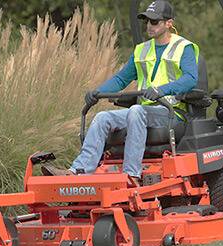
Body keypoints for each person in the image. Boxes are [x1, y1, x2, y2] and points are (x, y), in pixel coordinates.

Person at [42, 0, 199, 186]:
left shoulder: (184, 47)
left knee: (135, 111)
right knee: (102, 117)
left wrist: (161, 91)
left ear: (169, 23)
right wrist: (98, 92)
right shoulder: (142, 50)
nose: (149, 26)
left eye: (154, 22)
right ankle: (78, 171)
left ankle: (131, 175)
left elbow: (190, 78)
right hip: (144, 112)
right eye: (147, 21)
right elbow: (121, 79)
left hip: (170, 112)